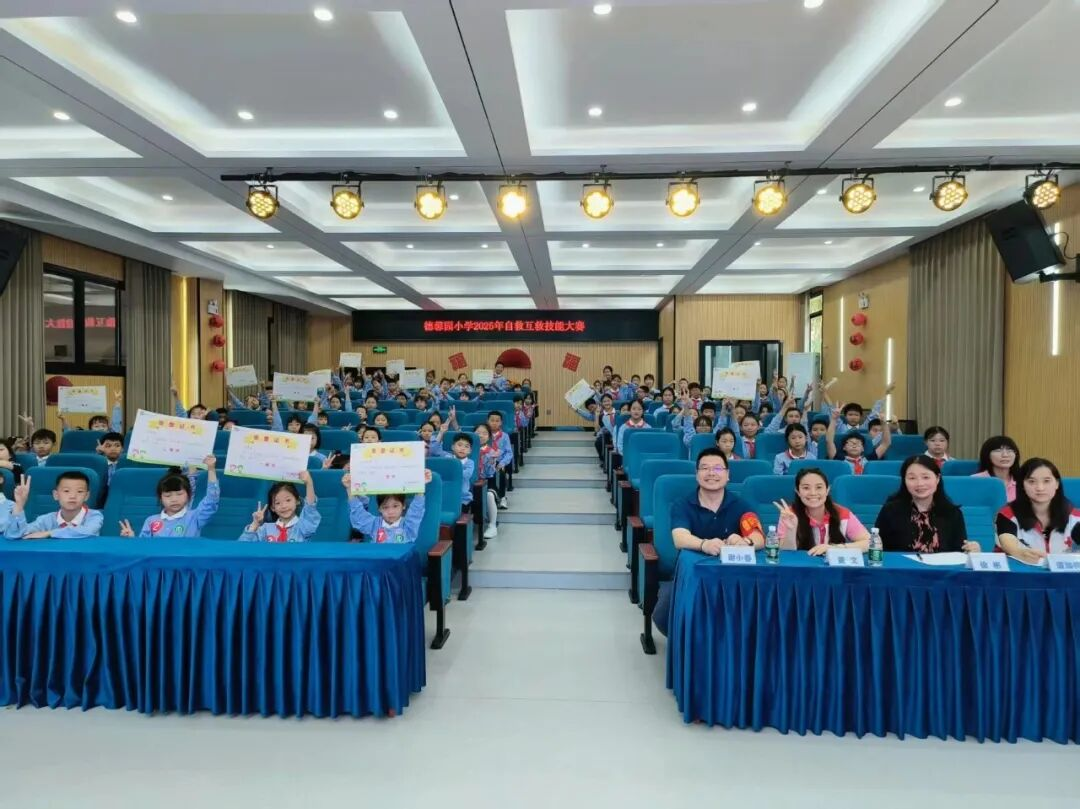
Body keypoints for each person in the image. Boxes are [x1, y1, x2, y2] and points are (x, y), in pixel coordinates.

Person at [653, 448, 764, 637]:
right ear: (697, 475)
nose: (711, 473)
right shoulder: (683, 505)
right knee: (664, 616)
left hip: (731, 576)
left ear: (728, 475)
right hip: (691, 574)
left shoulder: (740, 505)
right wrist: (704, 544)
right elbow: (680, 537)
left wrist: (745, 541)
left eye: (718, 468)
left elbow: (759, 537)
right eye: (705, 468)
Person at [875, 456, 979, 554]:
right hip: (900, 567)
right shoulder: (890, 511)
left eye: (925, 477)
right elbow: (877, 547)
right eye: (912, 478)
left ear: (937, 478)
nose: (919, 483)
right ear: (904, 480)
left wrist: (971, 550)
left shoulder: (953, 514)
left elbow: (960, 553)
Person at [995, 458, 1080, 564]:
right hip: (1023, 572)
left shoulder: (1076, 517)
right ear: (1022, 485)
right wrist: (1019, 552)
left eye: (1047, 481)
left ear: (1057, 484)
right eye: (1032, 481)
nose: (1040, 488)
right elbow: (1007, 540)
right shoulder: (1008, 514)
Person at [774, 468, 870, 555]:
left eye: (819, 487)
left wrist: (834, 548)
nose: (813, 493)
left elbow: (870, 543)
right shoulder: (789, 514)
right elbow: (785, 553)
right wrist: (791, 530)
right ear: (798, 492)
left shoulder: (842, 513)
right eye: (806, 488)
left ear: (827, 490)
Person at [119, 457, 220, 538]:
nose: (174, 499)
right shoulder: (151, 521)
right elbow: (144, 548)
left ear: (188, 495)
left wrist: (211, 469)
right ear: (160, 498)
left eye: (179, 494)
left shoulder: (195, 517)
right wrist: (132, 540)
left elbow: (212, 499)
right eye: (168, 495)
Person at [4, 471, 104, 538]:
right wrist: (19, 505)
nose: (73, 496)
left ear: (87, 496)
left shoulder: (94, 516)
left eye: (80, 491)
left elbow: (88, 531)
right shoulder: (46, 519)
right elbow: (14, 534)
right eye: (66, 491)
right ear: (56, 495)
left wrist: (50, 533)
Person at [343, 469, 432, 543]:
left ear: (403, 506)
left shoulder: (408, 525)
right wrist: (349, 489)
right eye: (385, 507)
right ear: (379, 509)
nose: (390, 512)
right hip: (378, 558)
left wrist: (422, 484)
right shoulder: (374, 524)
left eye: (395, 506)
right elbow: (358, 515)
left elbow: (416, 510)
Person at [240, 471, 320, 542]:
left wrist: (309, 483)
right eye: (278, 503)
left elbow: (310, 509)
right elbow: (242, 548)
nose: (283, 506)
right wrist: (254, 525)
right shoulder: (265, 529)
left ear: (297, 501)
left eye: (288, 500)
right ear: (273, 508)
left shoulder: (303, 527)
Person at [826, 407, 890, 473]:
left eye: (858, 443)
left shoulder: (869, 459)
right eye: (850, 443)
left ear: (863, 448)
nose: (854, 445)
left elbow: (885, 444)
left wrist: (884, 423)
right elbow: (829, 441)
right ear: (844, 447)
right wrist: (834, 419)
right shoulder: (839, 460)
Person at [973, 435, 1020, 502]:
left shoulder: (1023, 481)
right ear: (987, 455)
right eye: (998, 450)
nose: (1005, 455)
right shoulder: (975, 480)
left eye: (1009, 450)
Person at [473, 423, 499, 538]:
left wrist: (491, 462)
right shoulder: (467, 449)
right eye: (478, 433)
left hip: (487, 482)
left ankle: (492, 525)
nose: (481, 435)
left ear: (488, 437)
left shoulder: (491, 452)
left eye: (484, 433)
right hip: (470, 483)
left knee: (489, 495)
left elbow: (490, 474)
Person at [487, 411, 513, 509]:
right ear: (487, 421)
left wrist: (503, 463)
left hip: (499, 462)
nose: (494, 423)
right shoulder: (485, 434)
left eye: (497, 421)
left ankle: (502, 497)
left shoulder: (505, 436)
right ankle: (492, 495)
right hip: (486, 461)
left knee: (501, 472)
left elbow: (509, 453)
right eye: (492, 420)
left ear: (501, 423)